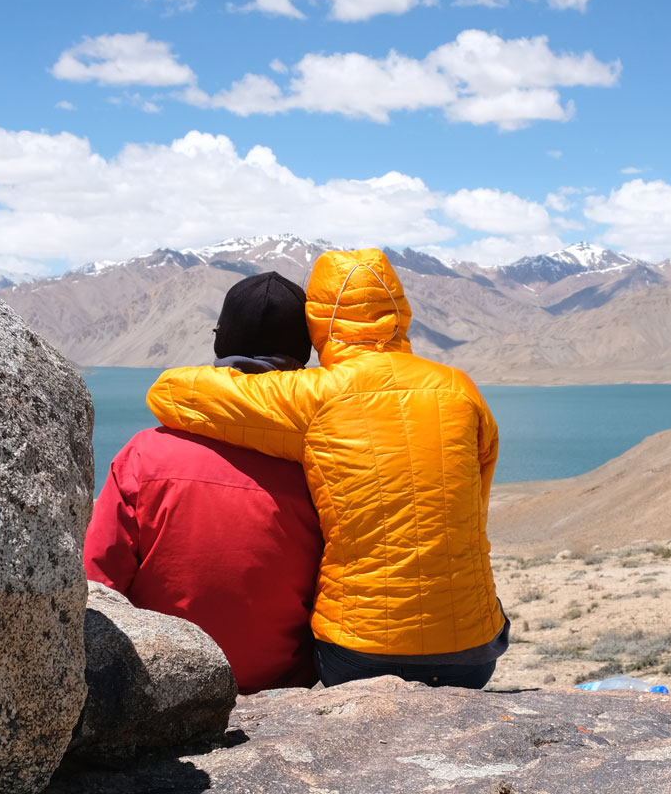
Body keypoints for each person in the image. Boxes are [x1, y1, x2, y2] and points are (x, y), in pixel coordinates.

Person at [146, 248, 507, 689]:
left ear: (318, 321)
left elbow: (174, 393)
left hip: (359, 657)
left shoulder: (316, 395)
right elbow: (476, 498)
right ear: (399, 310)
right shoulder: (459, 388)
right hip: (474, 653)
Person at [84, 271, 322, 693]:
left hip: (160, 686)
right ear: (303, 353)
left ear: (220, 343)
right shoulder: (322, 461)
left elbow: (98, 583)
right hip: (281, 691)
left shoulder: (145, 453)